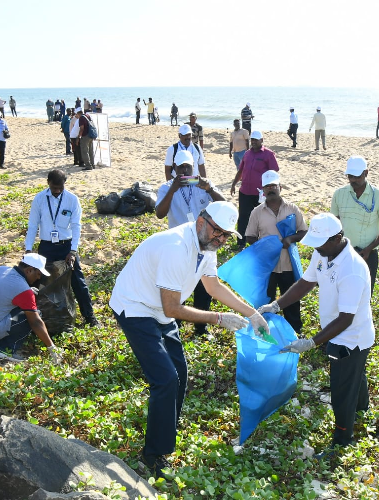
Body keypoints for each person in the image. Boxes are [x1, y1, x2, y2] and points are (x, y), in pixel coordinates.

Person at [108, 201, 270, 478]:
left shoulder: (207, 246)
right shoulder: (175, 247)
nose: (220, 239)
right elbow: (173, 309)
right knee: (165, 378)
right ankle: (154, 454)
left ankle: (165, 431)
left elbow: (213, 285)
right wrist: (218, 318)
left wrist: (252, 313)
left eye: (225, 236)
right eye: (217, 232)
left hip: (160, 309)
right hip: (135, 306)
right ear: (201, 222)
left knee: (180, 372)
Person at [257, 212, 374, 458]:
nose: (316, 249)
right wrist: (276, 305)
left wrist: (311, 342)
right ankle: (363, 408)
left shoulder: (352, 269)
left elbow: (346, 319)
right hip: (338, 332)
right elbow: (305, 283)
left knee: (341, 390)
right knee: (355, 375)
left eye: (320, 244)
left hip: (350, 338)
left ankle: (342, 440)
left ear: (338, 238)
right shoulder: (324, 253)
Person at [155, 149, 226, 336]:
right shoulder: (166, 187)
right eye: (181, 168)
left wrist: (209, 188)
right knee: (178, 285)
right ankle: (174, 327)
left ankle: (201, 328)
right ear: (175, 169)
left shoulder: (203, 185)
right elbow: (160, 213)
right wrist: (173, 188)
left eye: (188, 167)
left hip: (204, 242)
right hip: (179, 244)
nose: (185, 171)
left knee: (204, 286)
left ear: (194, 167)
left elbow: (225, 206)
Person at [25, 169, 99, 327]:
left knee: (78, 283)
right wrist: (28, 249)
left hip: (66, 246)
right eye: (54, 188)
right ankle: (41, 318)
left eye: (60, 188)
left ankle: (90, 317)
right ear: (48, 183)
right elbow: (32, 225)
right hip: (46, 247)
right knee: (41, 283)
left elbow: (76, 226)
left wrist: (73, 251)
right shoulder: (39, 199)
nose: (57, 191)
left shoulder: (72, 200)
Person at [0, 253, 62, 363]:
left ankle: (0, 336)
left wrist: (26, 290)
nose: (38, 277)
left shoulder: (1, 270)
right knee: (35, 314)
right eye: (38, 274)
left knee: (24, 309)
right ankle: (3, 349)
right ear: (29, 270)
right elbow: (35, 322)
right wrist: (52, 348)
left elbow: (5, 291)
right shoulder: (23, 290)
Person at [244, 170, 307, 333]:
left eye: (274, 186)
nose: (271, 189)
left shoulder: (292, 208)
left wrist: (290, 239)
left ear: (280, 187)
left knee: (291, 300)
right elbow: (249, 236)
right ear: (263, 191)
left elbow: (303, 231)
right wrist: (264, 245)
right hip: (267, 267)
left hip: (288, 264)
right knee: (266, 300)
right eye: (267, 186)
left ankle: (294, 332)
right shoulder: (256, 212)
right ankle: (265, 332)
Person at [330, 156, 379, 295]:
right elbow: (333, 225)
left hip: (368, 255)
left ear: (366, 173)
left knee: (364, 296)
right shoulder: (339, 194)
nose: (353, 180)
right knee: (341, 294)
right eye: (350, 176)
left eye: (357, 176)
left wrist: (369, 249)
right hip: (343, 253)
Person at [230, 130, 280, 247]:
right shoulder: (247, 154)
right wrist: (234, 184)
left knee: (261, 218)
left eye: (256, 140)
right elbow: (241, 170)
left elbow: (274, 173)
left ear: (261, 140)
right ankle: (240, 243)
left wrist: (273, 191)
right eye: (252, 140)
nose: (253, 142)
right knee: (243, 217)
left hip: (260, 194)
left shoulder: (268, 154)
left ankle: (259, 243)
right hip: (245, 191)